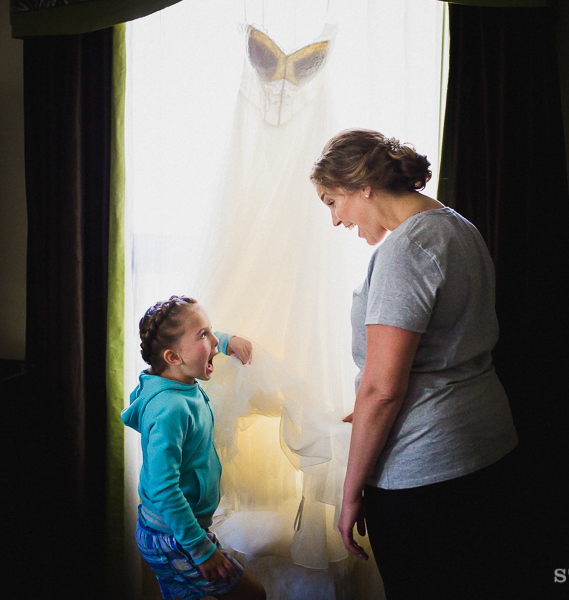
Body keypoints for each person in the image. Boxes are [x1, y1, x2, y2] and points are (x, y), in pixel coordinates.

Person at [310, 129, 520, 598]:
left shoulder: (406, 250)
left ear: (362, 185)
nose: (335, 220)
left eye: (331, 202)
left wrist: (350, 494)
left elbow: (383, 390)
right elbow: (446, 352)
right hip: (488, 448)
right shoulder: (458, 226)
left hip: (427, 473)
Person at [121, 295, 267, 600]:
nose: (214, 339)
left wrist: (225, 341)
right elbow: (163, 488)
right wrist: (201, 551)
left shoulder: (178, 381)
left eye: (211, 331)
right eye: (205, 335)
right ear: (173, 358)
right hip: (174, 537)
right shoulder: (170, 408)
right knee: (253, 595)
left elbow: (197, 344)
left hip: (176, 530)